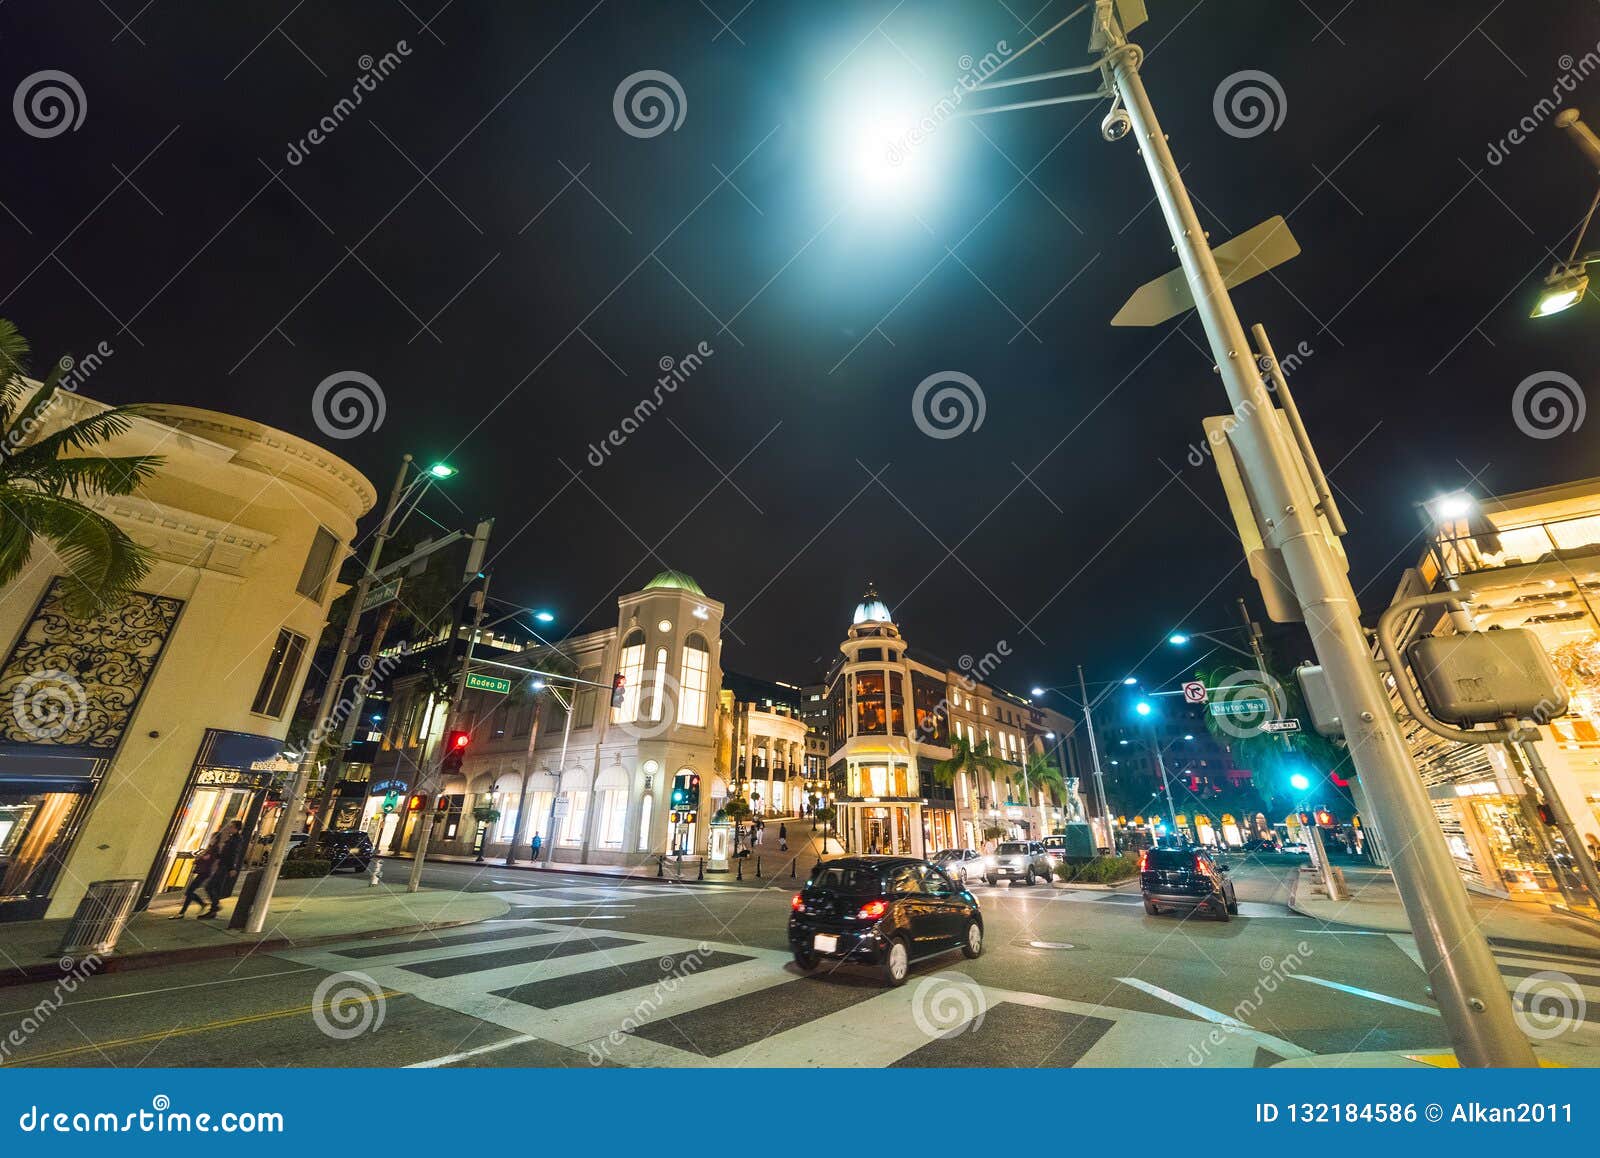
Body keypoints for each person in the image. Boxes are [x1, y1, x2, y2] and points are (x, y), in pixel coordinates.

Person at [199, 820, 243, 919]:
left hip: (225, 867)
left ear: (236, 828)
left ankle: (215, 906)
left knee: (209, 886)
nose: (229, 828)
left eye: (231, 827)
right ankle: (213, 910)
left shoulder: (236, 840)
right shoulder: (232, 839)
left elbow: (234, 854)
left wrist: (232, 867)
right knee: (215, 888)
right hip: (223, 865)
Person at [172, 834, 219, 918]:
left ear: (216, 839)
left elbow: (207, 858)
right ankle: (185, 911)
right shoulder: (210, 848)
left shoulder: (214, 849)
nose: (211, 840)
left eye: (212, 838)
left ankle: (184, 911)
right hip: (203, 872)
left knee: (189, 891)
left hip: (205, 872)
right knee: (190, 891)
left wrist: (199, 857)